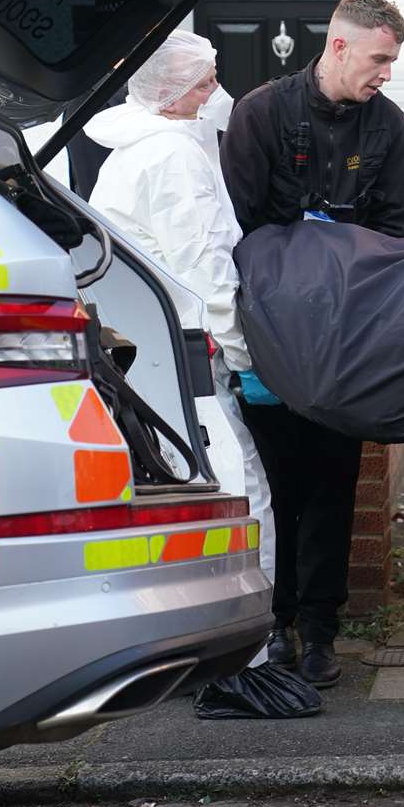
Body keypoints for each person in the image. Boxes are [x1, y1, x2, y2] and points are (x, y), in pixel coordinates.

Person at [221, 0, 404, 688]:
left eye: (392, 60)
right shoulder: (262, 114)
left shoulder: (387, 127)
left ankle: (321, 631)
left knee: (335, 483)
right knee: (275, 486)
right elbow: (236, 229)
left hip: (345, 339)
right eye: (380, 58)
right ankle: (274, 626)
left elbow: (398, 225)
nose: (387, 73)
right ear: (338, 46)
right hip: (271, 339)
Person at [85, 32, 275, 581]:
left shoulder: (138, 148)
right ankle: (253, 644)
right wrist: (242, 356)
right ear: (172, 95)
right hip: (186, 350)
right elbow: (203, 263)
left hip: (148, 347)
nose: (219, 93)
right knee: (239, 489)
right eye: (207, 82)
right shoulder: (171, 155)